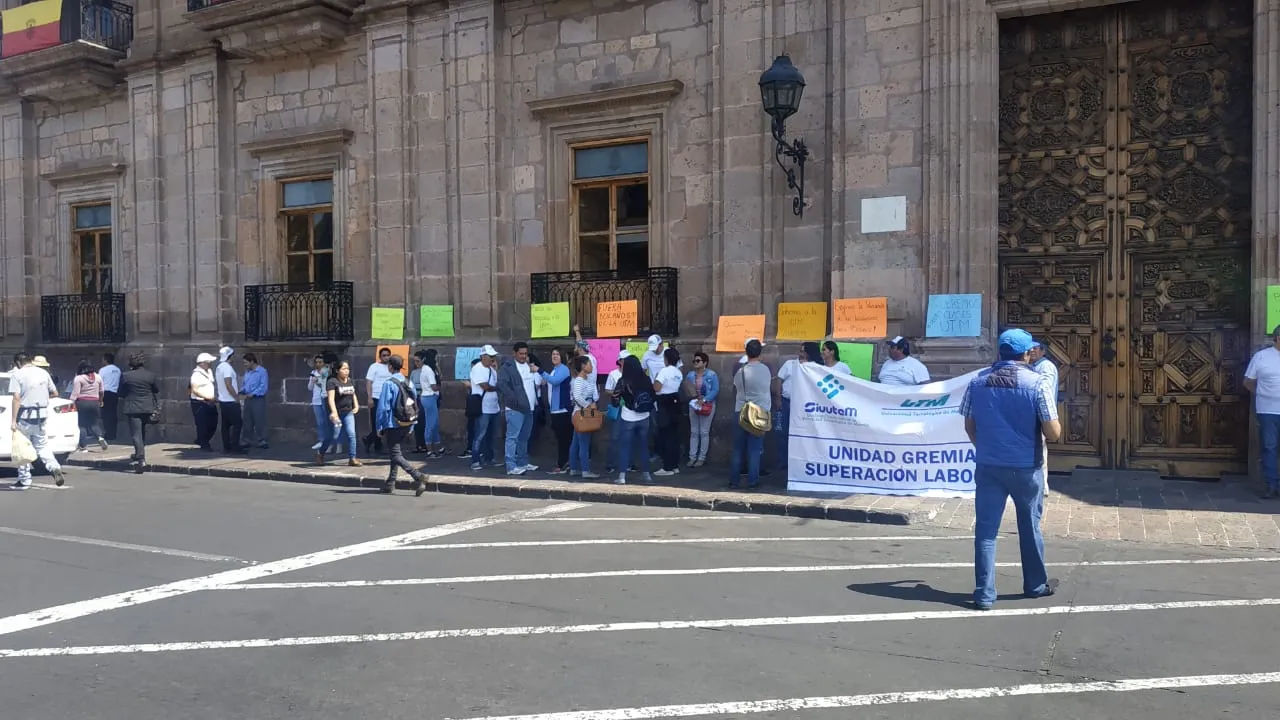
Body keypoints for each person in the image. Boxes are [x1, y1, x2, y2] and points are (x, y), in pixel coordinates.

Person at [960, 328, 1061, 611]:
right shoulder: (1037, 383)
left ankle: (984, 593)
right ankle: (1035, 585)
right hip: (1025, 467)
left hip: (989, 465)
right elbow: (1053, 432)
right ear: (1026, 353)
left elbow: (969, 424)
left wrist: (986, 447)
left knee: (986, 531)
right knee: (1029, 527)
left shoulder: (977, 382)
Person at [9, 354, 65, 489]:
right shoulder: (43, 373)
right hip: (41, 414)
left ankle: (24, 479)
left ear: (18, 362)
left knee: (23, 447)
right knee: (42, 445)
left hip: (25, 415)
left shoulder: (17, 374)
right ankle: (54, 467)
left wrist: (13, 420)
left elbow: (16, 398)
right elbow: (55, 393)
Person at [374, 355, 427, 495]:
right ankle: (390, 483)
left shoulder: (388, 383)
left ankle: (418, 476)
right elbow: (414, 402)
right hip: (407, 421)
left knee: (396, 454)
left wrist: (379, 426)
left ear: (390, 366)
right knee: (395, 452)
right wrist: (413, 423)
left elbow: (383, 407)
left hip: (393, 423)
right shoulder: (408, 382)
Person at [731, 339, 772, 489]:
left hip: (741, 410)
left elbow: (736, 386)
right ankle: (753, 480)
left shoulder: (740, 371)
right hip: (759, 413)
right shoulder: (765, 370)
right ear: (759, 353)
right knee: (755, 449)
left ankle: (734, 480)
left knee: (737, 448)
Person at [497, 341, 542, 476]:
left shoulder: (528, 366)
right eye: (521, 354)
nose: (523, 356)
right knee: (512, 437)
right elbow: (502, 385)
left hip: (529, 407)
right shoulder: (507, 367)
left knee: (524, 437)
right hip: (515, 408)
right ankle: (511, 466)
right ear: (514, 353)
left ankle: (523, 462)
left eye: (525, 354)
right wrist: (513, 399)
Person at [772, 343, 818, 473]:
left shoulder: (814, 367)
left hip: (805, 406)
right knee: (782, 432)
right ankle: (783, 462)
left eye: (804, 351)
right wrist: (778, 398)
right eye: (800, 350)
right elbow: (779, 380)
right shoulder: (789, 364)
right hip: (786, 403)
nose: (801, 353)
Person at [1245, 326, 1280, 499]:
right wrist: (1262, 394)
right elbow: (1248, 381)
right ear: (1277, 338)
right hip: (1268, 410)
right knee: (1269, 447)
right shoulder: (1262, 357)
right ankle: (1271, 484)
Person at [614, 355, 655, 485]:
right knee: (644, 446)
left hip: (628, 416)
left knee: (625, 446)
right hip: (644, 416)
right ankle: (646, 474)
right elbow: (653, 396)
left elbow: (615, 399)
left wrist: (620, 402)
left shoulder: (623, 380)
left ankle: (622, 476)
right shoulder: (646, 379)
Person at [117, 353, 160, 473]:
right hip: (147, 407)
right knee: (142, 432)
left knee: (136, 434)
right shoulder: (150, 375)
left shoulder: (126, 376)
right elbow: (155, 390)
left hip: (133, 408)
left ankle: (141, 460)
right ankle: (138, 453)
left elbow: (121, 392)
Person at [321, 359, 361, 466]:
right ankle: (320, 454)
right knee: (333, 436)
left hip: (348, 412)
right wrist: (334, 413)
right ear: (338, 370)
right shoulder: (332, 381)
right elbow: (330, 399)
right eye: (344, 369)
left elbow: (353, 394)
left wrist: (356, 405)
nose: (346, 371)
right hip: (336, 413)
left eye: (347, 368)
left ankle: (352, 458)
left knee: (351, 434)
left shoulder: (350, 380)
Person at [652, 347, 684, 476]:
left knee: (665, 435)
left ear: (666, 359)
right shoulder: (678, 372)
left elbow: (657, 387)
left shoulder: (664, 371)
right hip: (676, 402)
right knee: (674, 436)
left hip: (664, 402)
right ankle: (674, 465)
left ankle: (667, 467)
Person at [469, 346, 501, 471]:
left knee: (491, 435)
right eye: (490, 356)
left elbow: (496, 383)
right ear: (483, 356)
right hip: (483, 408)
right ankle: (475, 460)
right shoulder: (477, 369)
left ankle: (489, 459)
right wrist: (497, 387)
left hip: (494, 407)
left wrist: (496, 371)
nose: (493, 359)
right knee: (479, 435)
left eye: (493, 356)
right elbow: (486, 386)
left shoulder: (492, 370)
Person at [685, 351, 719, 468]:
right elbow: (687, 389)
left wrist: (704, 400)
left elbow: (715, 390)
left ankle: (701, 458)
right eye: (694, 361)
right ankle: (692, 457)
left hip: (707, 404)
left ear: (705, 363)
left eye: (698, 361)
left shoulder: (711, 375)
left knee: (704, 432)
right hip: (694, 404)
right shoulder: (690, 375)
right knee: (694, 431)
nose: (695, 363)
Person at [568, 355, 600, 479]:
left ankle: (574, 468)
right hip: (581, 414)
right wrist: (588, 405)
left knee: (576, 442)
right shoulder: (578, 381)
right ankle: (585, 470)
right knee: (584, 443)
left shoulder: (587, 381)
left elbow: (595, 396)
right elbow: (577, 396)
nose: (591, 366)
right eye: (589, 364)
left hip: (582, 413)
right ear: (583, 366)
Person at [542, 348, 573, 474]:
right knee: (560, 438)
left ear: (562, 357)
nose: (554, 356)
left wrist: (539, 371)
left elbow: (555, 381)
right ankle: (564, 462)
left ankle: (563, 463)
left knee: (564, 439)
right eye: (553, 354)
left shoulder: (563, 369)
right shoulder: (554, 370)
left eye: (557, 354)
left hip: (562, 409)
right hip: (555, 409)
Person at [603, 349, 630, 474]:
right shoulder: (613, 374)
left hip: (629, 408)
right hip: (618, 407)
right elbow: (607, 390)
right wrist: (617, 393)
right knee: (615, 436)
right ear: (619, 361)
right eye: (625, 360)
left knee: (629, 436)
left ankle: (629, 463)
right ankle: (611, 463)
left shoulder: (633, 373)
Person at [70, 361, 107, 451]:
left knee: (82, 425)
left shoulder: (78, 378)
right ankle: (100, 437)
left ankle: (83, 446)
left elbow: (76, 393)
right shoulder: (98, 377)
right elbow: (102, 391)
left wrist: (71, 402)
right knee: (94, 423)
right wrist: (100, 401)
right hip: (95, 402)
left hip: (82, 403)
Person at [214, 346, 244, 454]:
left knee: (225, 426)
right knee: (237, 424)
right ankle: (235, 447)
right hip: (230, 401)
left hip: (223, 401)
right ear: (230, 356)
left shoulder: (219, 367)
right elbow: (228, 384)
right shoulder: (227, 367)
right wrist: (236, 397)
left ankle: (227, 447)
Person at [363, 347, 392, 453]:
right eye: (384, 355)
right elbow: (368, 382)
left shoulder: (391, 367)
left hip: (387, 398)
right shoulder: (374, 366)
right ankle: (377, 446)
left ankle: (368, 440)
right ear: (380, 357)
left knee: (385, 423)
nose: (386, 357)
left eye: (388, 355)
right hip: (376, 397)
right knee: (376, 423)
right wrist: (369, 397)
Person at [417, 349, 446, 457]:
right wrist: (440, 386)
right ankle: (430, 450)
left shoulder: (429, 368)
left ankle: (439, 447)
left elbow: (440, 376)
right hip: (429, 397)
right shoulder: (428, 370)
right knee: (430, 424)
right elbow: (434, 387)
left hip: (431, 397)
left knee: (435, 423)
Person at [188, 352, 219, 451]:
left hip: (210, 402)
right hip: (200, 403)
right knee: (202, 424)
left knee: (213, 423)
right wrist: (207, 397)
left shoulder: (209, 371)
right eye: (208, 362)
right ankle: (204, 444)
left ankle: (201, 439)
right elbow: (194, 390)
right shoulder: (196, 374)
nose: (210, 363)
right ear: (202, 363)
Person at [239, 352, 269, 449]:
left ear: (252, 361)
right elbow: (245, 384)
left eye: (246, 362)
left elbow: (263, 386)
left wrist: (254, 393)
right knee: (247, 420)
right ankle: (246, 440)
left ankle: (262, 440)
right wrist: (241, 391)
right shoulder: (247, 372)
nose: (244, 365)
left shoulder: (262, 371)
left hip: (258, 398)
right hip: (248, 398)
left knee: (259, 419)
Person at [307, 355, 331, 452]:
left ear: (324, 363)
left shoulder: (326, 372)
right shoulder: (313, 373)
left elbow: (324, 386)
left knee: (327, 422)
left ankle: (329, 442)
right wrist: (312, 382)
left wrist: (318, 381)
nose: (318, 364)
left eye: (320, 362)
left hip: (325, 399)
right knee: (320, 422)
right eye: (316, 362)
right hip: (316, 400)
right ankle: (321, 441)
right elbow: (309, 388)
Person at [99, 352, 121, 441]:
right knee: (113, 414)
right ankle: (113, 433)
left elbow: (99, 382)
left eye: (103, 359)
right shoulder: (118, 370)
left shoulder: (103, 370)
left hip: (105, 393)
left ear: (106, 360)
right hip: (114, 393)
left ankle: (108, 433)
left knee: (105, 414)